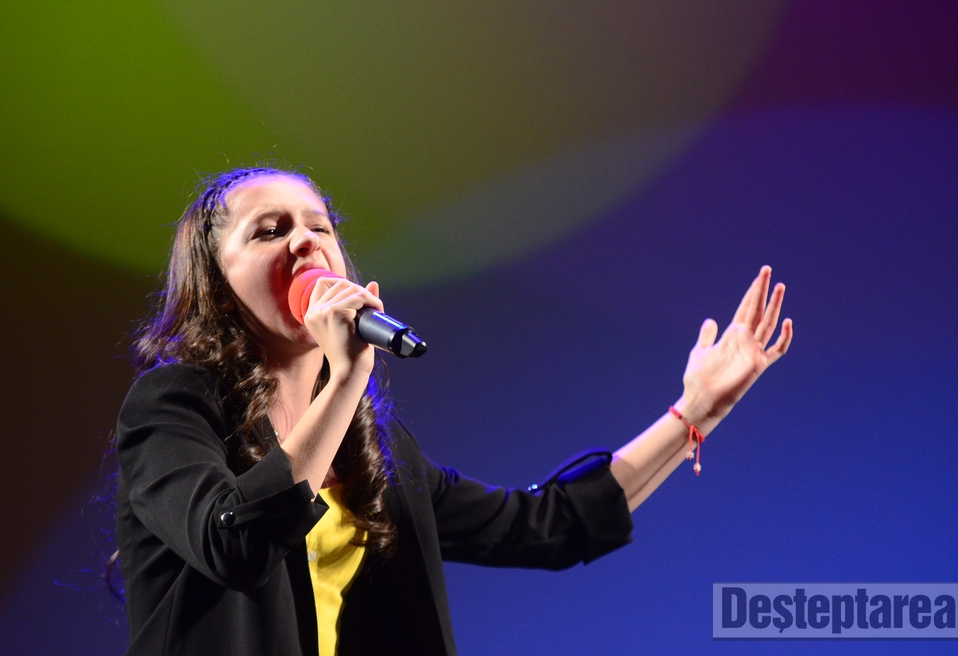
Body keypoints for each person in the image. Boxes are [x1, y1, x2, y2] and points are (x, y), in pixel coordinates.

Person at [114, 166, 792, 656]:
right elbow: (234, 543)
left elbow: (545, 527)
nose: (305, 242)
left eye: (319, 226)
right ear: (217, 284)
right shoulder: (172, 406)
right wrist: (347, 377)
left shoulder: (376, 457)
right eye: (270, 231)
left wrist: (694, 412)